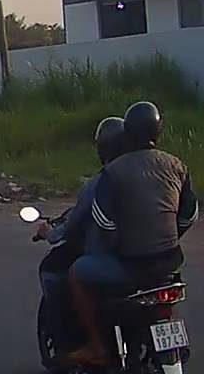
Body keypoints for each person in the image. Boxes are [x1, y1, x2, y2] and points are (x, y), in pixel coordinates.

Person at [68, 101, 199, 366]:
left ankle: (96, 347)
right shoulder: (176, 165)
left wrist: (118, 244)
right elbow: (190, 213)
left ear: (127, 131)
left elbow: (104, 221)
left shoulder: (113, 171)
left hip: (131, 265)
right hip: (169, 264)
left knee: (76, 273)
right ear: (158, 130)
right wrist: (170, 237)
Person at [35, 116, 125, 357]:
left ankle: (95, 345)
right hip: (163, 257)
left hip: (120, 258)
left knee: (74, 272)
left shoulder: (104, 181)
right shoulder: (161, 171)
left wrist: (50, 233)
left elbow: (80, 223)